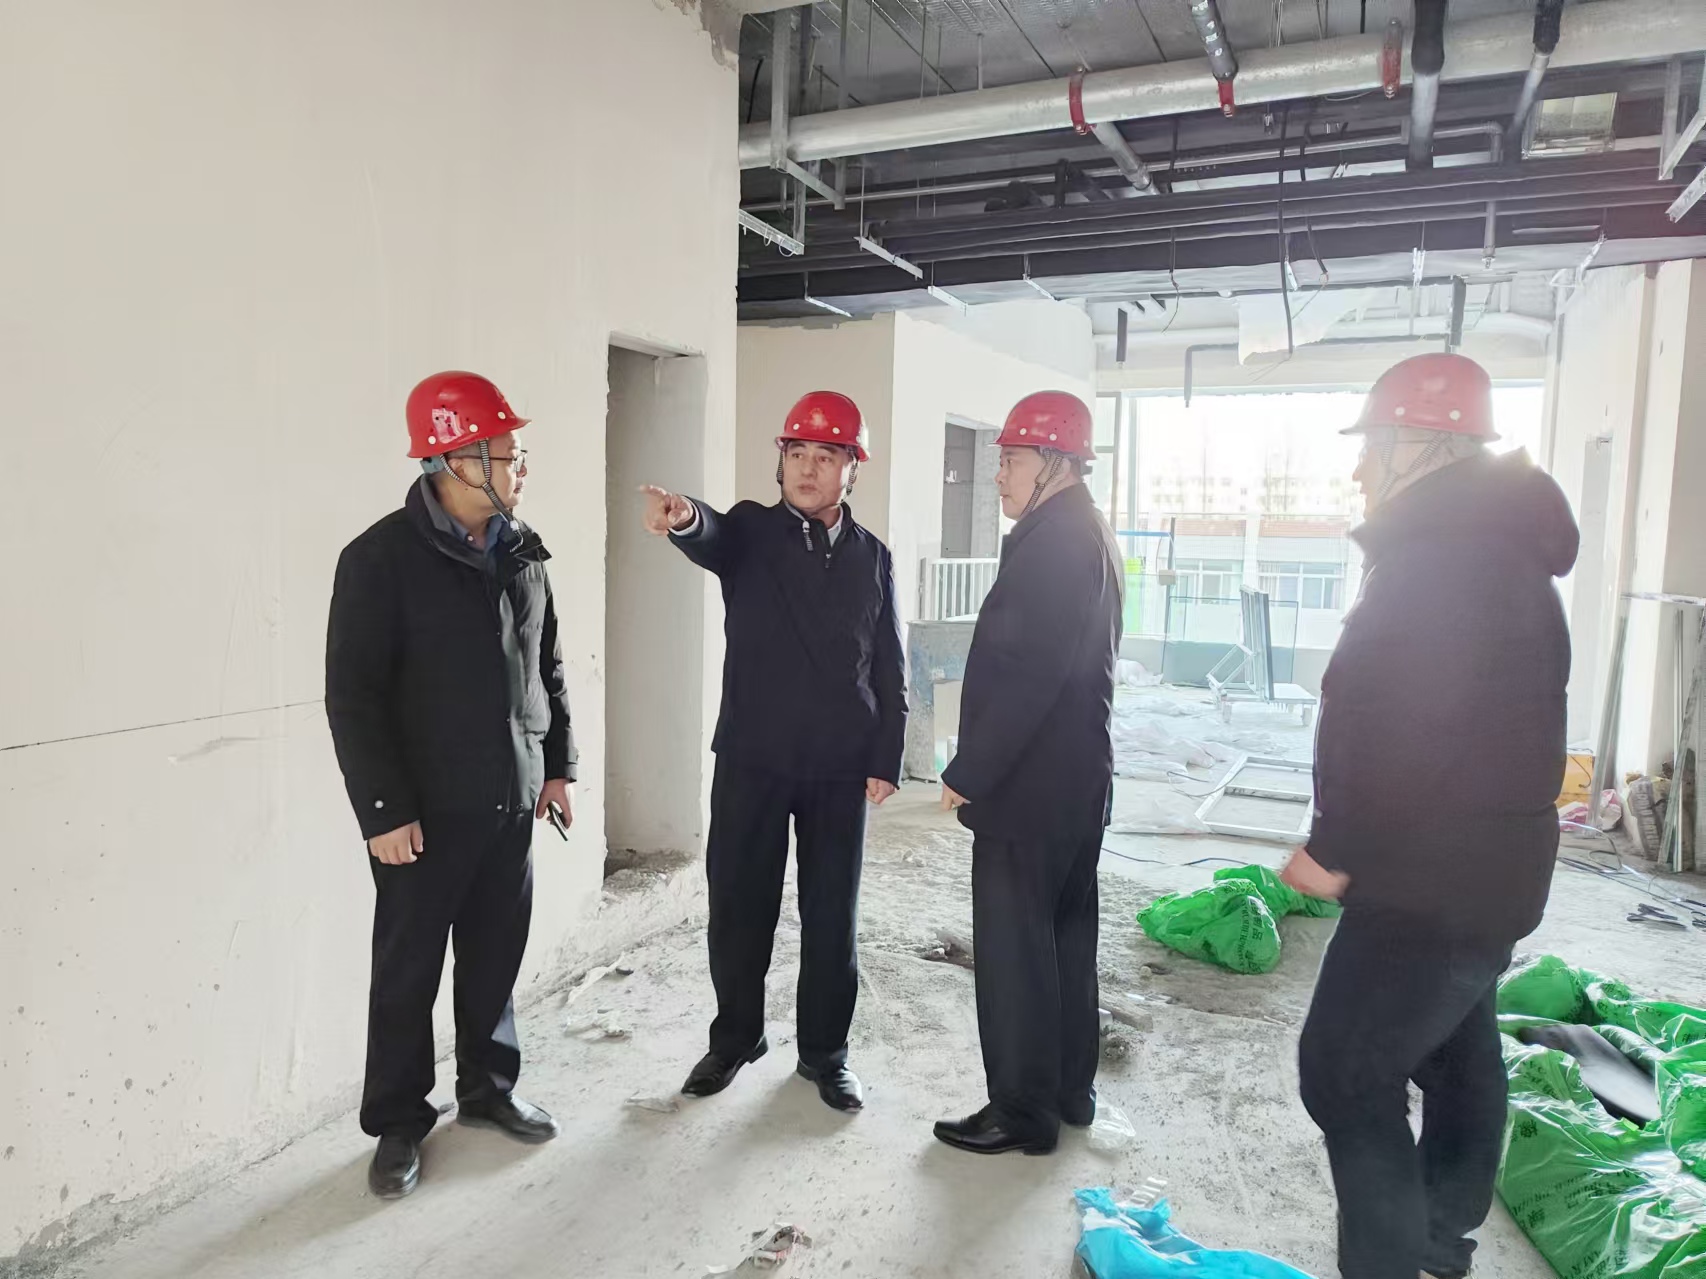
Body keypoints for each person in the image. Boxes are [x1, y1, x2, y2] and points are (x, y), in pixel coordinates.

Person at [1282, 353, 1577, 1279]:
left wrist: (1334, 843)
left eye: (1372, 446)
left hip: (1428, 877)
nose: (1359, 468)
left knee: (1344, 1069)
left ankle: (1391, 1260)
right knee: (1456, 1052)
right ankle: (1440, 1238)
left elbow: (1395, 720)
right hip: (1490, 872)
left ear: (1421, 445)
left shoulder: (1442, 559)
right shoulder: (1496, 547)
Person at [326, 371, 577, 1200]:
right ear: (456, 460)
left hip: (511, 798)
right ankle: (399, 1121)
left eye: (519, 454)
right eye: (508, 454)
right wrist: (384, 810)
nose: (520, 469)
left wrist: (558, 766)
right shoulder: (379, 561)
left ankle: (489, 1088)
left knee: (495, 954)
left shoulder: (522, 549)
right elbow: (354, 697)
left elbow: (547, 667)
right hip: (423, 816)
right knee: (408, 971)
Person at [640, 391, 906, 1113]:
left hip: (839, 764)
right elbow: (711, 533)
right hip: (753, 757)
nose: (808, 469)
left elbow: (888, 661)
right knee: (738, 905)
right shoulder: (753, 531)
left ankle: (825, 1054)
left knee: (831, 917)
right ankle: (736, 1038)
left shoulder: (873, 557)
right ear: (780, 461)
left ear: (853, 468)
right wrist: (683, 516)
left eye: (826, 456)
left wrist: (886, 754)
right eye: (797, 454)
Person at [932, 390, 1123, 1156]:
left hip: (1031, 787)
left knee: (1015, 953)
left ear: (1053, 462)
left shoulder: (1054, 544)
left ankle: (1022, 1110)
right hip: (1077, 781)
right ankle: (1070, 1090)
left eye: (1010, 459)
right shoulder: (1087, 531)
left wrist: (971, 768)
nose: (1000, 474)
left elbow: (1032, 672)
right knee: (1065, 941)